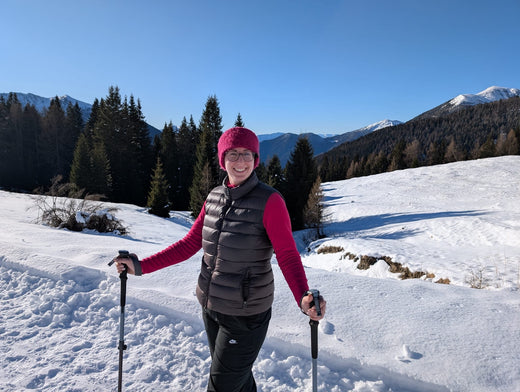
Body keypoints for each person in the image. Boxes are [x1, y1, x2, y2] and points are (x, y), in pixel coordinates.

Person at [114, 127, 326, 392]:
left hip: (246, 316)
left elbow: (287, 255)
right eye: (233, 154)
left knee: (222, 386)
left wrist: (302, 296)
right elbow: (190, 243)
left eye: (247, 154)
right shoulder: (214, 197)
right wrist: (143, 266)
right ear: (222, 159)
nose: (240, 161)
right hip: (211, 308)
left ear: (256, 159)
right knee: (238, 380)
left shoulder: (269, 201)